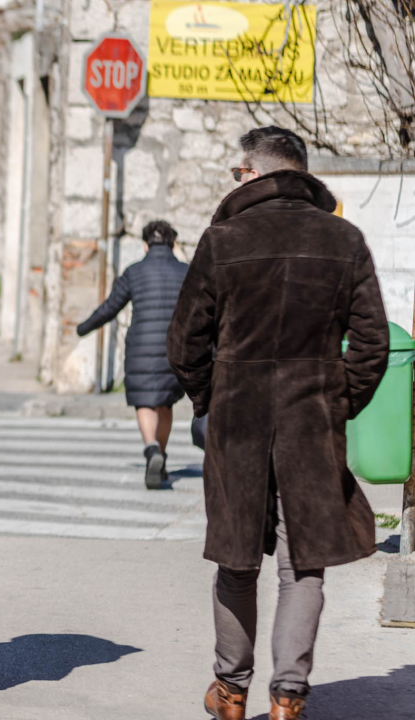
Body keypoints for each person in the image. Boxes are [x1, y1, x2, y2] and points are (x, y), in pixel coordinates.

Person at [167, 126, 390, 720]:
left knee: (236, 560)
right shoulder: (344, 239)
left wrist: (211, 398)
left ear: (256, 172)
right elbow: (373, 344)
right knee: (303, 564)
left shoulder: (223, 240)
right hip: (311, 421)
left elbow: (184, 341)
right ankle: (289, 696)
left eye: (238, 171)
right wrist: (336, 403)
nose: (235, 180)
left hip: (237, 420)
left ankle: (231, 691)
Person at [76, 220, 188, 488]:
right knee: (165, 404)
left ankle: (151, 449)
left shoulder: (134, 272)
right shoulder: (187, 272)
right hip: (175, 348)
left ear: (145, 245)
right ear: (173, 244)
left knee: (145, 403)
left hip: (141, 348)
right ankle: (160, 457)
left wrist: (84, 327)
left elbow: (110, 307)